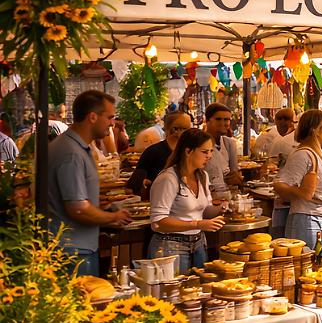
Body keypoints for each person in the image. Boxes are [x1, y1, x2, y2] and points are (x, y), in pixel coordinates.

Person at [46, 91, 132, 276]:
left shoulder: (76, 147)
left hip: (75, 248)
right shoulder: (71, 153)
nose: (112, 124)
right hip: (73, 252)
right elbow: (78, 208)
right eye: (110, 117)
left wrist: (103, 208)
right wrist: (113, 217)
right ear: (92, 117)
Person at [148, 128, 226, 272]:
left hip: (198, 243)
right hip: (170, 245)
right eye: (204, 152)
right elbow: (158, 222)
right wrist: (198, 224)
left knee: (198, 291)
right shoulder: (168, 178)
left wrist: (222, 208)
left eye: (211, 151)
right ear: (188, 151)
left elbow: (205, 210)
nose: (209, 156)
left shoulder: (202, 176)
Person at [277, 109, 322, 248]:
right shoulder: (302, 155)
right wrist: (302, 192)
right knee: (308, 266)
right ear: (315, 130)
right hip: (307, 220)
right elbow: (280, 185)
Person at [127, 110, 192, 197]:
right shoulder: (152, 152)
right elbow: (133, 186)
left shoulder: (193, 151)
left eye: (188, 129)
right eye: (186, 129)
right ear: (172, 129)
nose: (189, 133)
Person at [203, 103, 241, 198]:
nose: (223, 123)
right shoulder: (198, 144)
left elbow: (235, 175)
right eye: (218, 119)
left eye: (227, 119)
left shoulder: (229, 144)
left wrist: (236, 178)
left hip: (226, 196)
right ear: (207, 121)